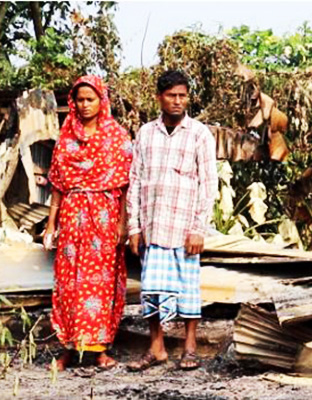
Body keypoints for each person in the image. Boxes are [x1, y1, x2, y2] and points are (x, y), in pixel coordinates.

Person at [126, 70, 218, 371]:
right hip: (153, 227)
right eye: (171, 96)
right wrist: (134, 227)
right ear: (159, 98)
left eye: (182, 95)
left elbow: (209, 184)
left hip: (184, 229)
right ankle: (157, 347)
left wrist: (198, 228)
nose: (177, 101)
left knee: (188, 289)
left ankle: (190, 347)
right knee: (151, 289)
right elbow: (135, 181)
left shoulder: (199, 134)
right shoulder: (145, 134)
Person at [43, 75, 133, 370]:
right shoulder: (65, 139)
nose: (84, 105)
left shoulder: (117, 137)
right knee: (69, 283)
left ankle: (100, 350)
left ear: (101, 100)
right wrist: (50, 225)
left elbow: (124, 186)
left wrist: (122, 224)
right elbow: (57, 185)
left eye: (90, 99)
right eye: (80, 99)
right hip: (72, 216)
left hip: (105, 218)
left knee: (102, 284)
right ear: (73, 102)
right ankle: (67, 349)